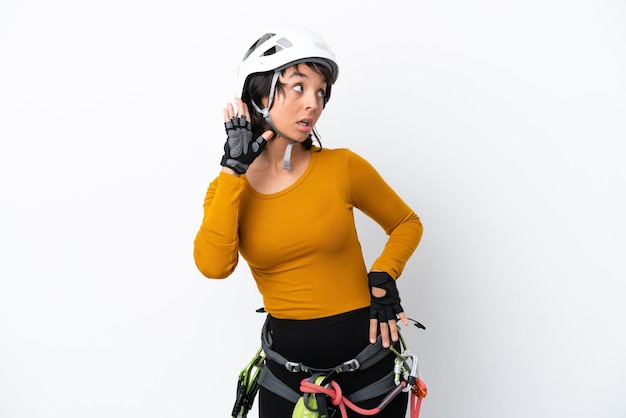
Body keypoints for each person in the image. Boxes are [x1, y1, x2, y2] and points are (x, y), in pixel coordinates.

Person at [193, 25, 423, 418]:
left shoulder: (342, 166)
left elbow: (406, 221)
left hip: (369, 372)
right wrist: (233, 172)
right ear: (260, 94)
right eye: (298, 87)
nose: (313, 104)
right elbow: (214, 267)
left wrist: (384, 273)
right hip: (286, 378)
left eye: (320, 92)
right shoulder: (227, 191)